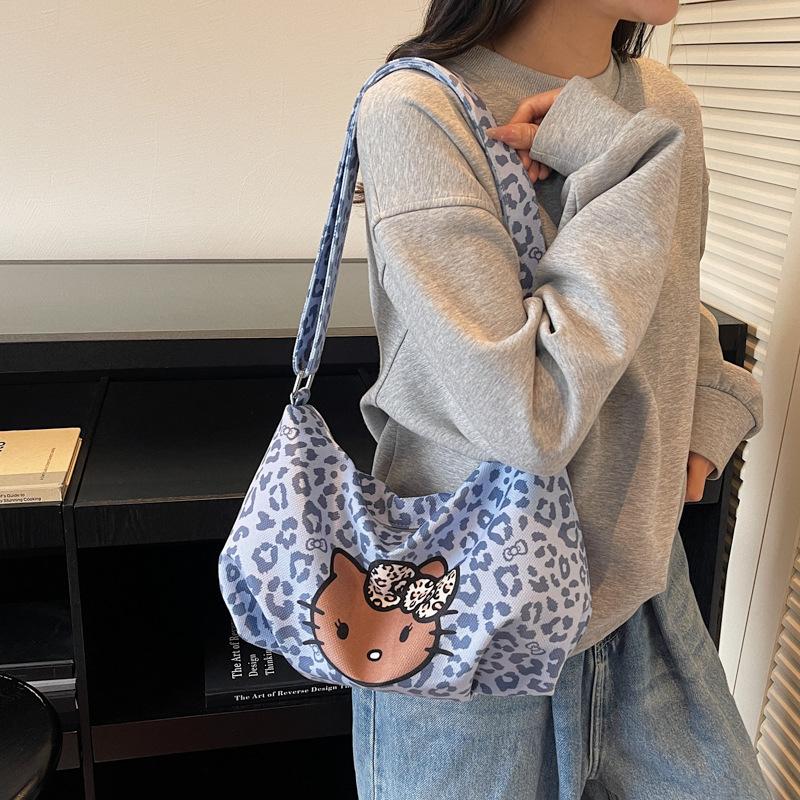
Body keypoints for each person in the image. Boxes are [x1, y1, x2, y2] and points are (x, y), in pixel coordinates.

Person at [348, 1, 769, 798]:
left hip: (644, 595)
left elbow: (668, 299)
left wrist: (709, 413)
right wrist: (625, 162)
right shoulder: (419, 108)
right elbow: (527, 419)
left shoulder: (665, 102)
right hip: (465, 612)